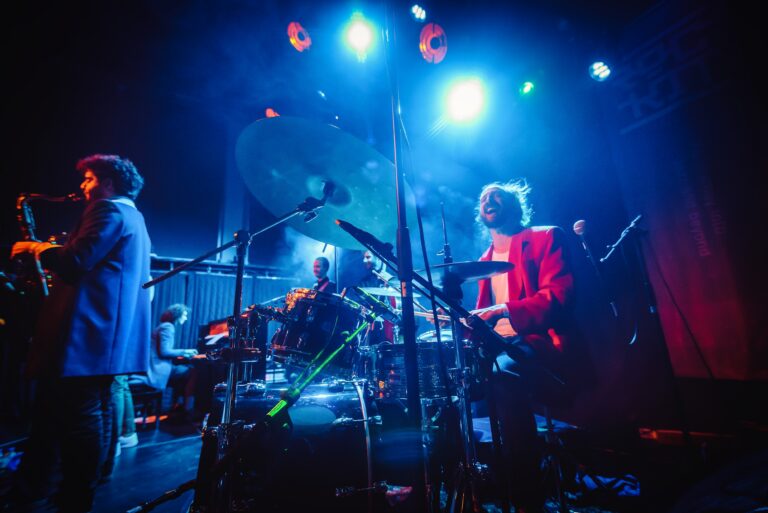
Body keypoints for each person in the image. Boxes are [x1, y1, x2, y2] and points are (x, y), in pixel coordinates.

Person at [9, 154, 152, 512]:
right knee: (82, 413)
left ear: (107, 182)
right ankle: (56, 488)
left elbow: (75, 262)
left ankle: (73, 494)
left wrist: (37, 248)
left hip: (86, 336)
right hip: (103, 338)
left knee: (81, 417)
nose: (83, 186)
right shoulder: (135, 216)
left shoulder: (109, 211)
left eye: (88, 178)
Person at [468, 179, 577, 513]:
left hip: (541, 342)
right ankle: (473, 486)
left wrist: (501, 310)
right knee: (451, 379)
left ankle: (528, 499)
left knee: (503, 375)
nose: (489, 198)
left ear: (515, 205)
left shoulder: (545, 237)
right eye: (485, 196)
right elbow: (484, 322)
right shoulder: (484, 261)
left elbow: (557, 298)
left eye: (498, 195)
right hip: (501, 345)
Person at [142, 304, 198, 419]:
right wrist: (185, 351)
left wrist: (185, 353)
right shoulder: (168, 327)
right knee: (193, 372)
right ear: (178, 314)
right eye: (185, 315)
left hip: (156, 366)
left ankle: (176, 405)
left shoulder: (163, 326)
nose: (186, 318)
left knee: (184, 373)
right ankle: (187, 410)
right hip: (158, 369)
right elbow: (164, 352)